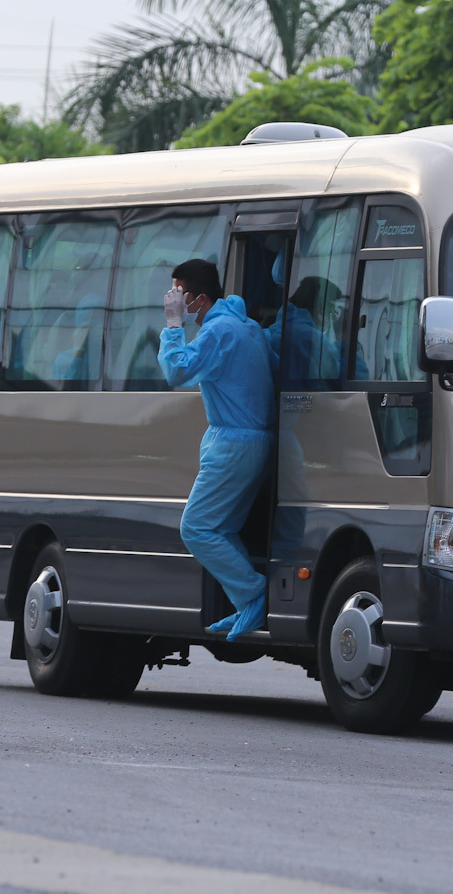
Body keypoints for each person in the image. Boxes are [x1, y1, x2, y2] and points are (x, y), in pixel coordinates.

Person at [158, 259, 275, 642]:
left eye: (179, 295)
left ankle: (254, 595)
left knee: (197, 528)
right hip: (248, 441)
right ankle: (246, 604)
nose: (174, 302)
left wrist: (174, 326)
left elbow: (177, 372)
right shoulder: (245, 326)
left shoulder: (219, 331)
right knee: (221, 527)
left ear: (200, 298)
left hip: (233, 445)